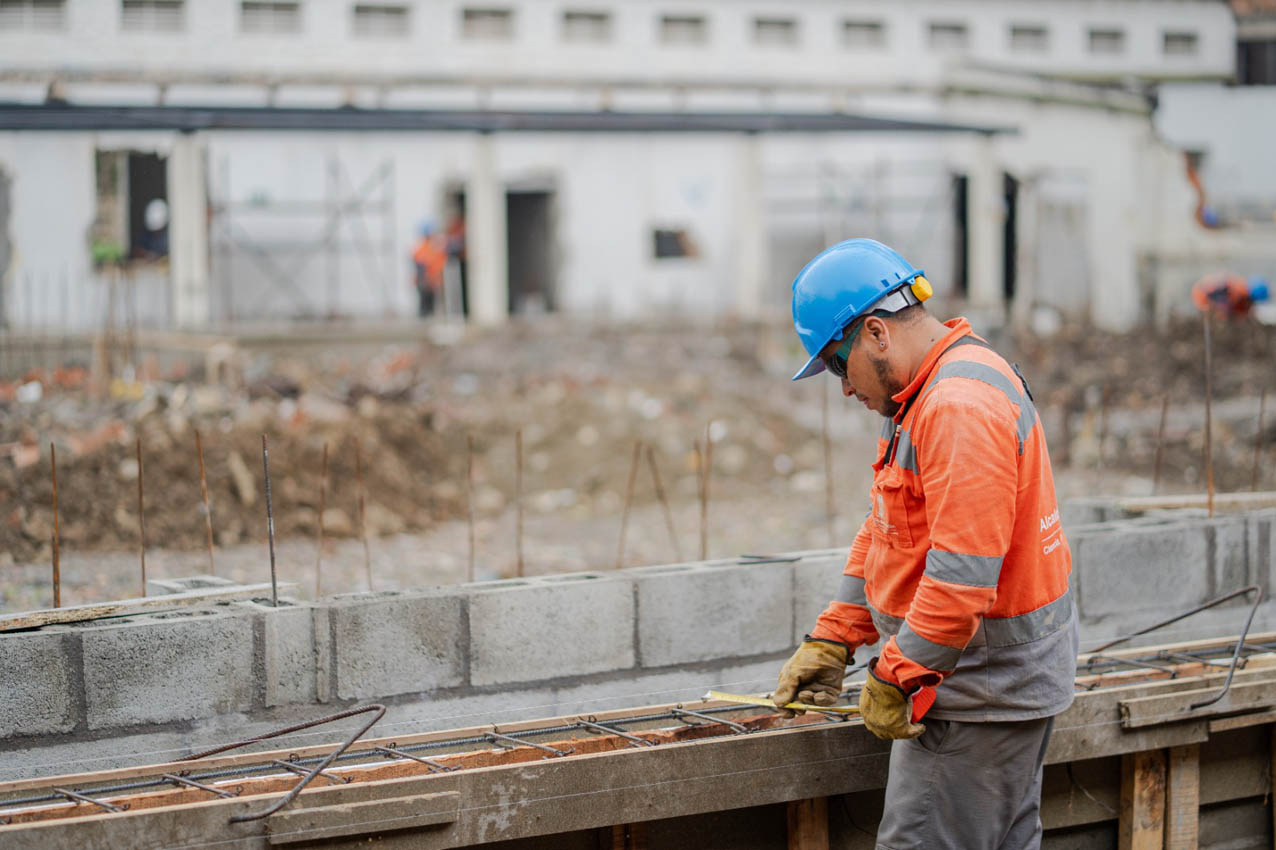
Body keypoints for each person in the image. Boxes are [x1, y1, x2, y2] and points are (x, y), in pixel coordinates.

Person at [773, 238, 1077, 849]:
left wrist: (898, 675)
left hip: (976, 696)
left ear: (877, 333)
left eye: (837, 363)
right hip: (978, 686)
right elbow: (890, 528)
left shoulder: (957, 405)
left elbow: (961, 578)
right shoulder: (919, 392)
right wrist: (836, 636)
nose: (843, 388)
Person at [1191, 273, 1269, 320]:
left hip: (1203, 294)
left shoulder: (1239, 287)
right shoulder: (1237, 292)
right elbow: (1224, 308)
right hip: (1202, 297)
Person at [411, 220, 446, 318]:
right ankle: (424, 323)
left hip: (431, 281)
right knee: (425, 306)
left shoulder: (431, 247)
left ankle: (427, 320)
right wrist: (426, 280)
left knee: (430, 306)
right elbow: (421, 268)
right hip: (425, 282)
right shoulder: (423, 249)